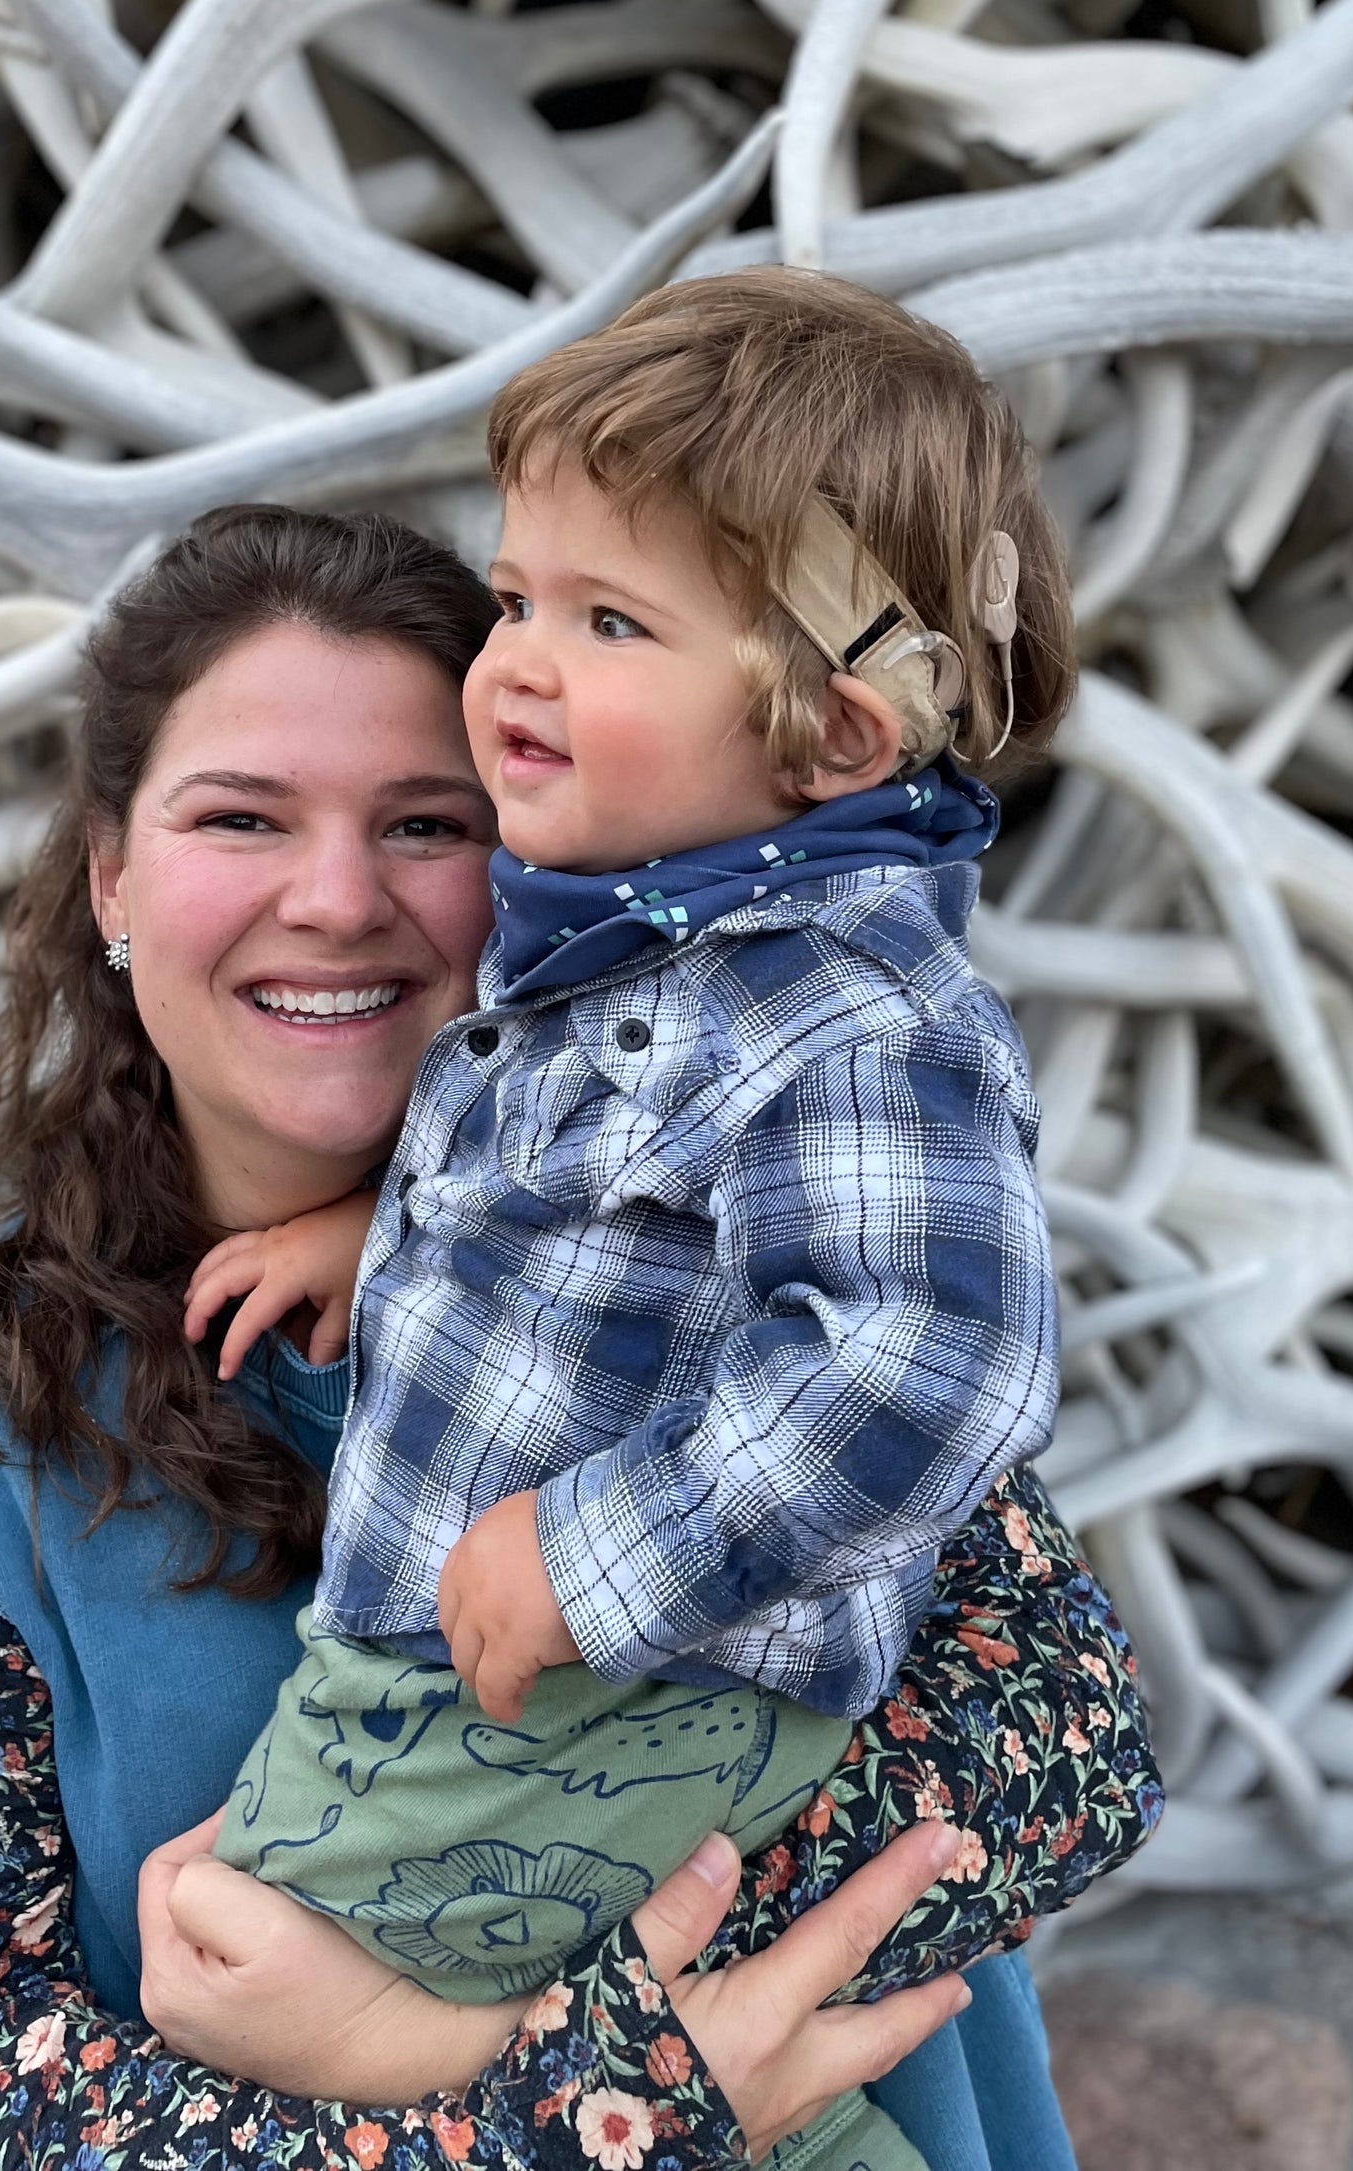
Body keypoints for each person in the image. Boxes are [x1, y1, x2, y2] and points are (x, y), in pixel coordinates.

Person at [0, 502, 1122, 2171]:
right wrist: (576, 2114)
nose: (335, 900)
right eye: (241, 817)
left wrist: (498, 2050)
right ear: (114, 875)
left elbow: (1061, 1741)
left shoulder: (744, 1248)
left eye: (427, 823)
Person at [195, 278, 1158, 2171]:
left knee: (221, 1959)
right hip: (530, 1691)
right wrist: (377, 1249)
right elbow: (603, 1222)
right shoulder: (671, 946)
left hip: (622, 1684)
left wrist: (590, 1551)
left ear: (833, 727)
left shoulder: (850, 1013)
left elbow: (933, 1358)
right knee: (254, 1954)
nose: (518, 664)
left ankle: (436, 2071)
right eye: (520, 596)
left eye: (611, 620)